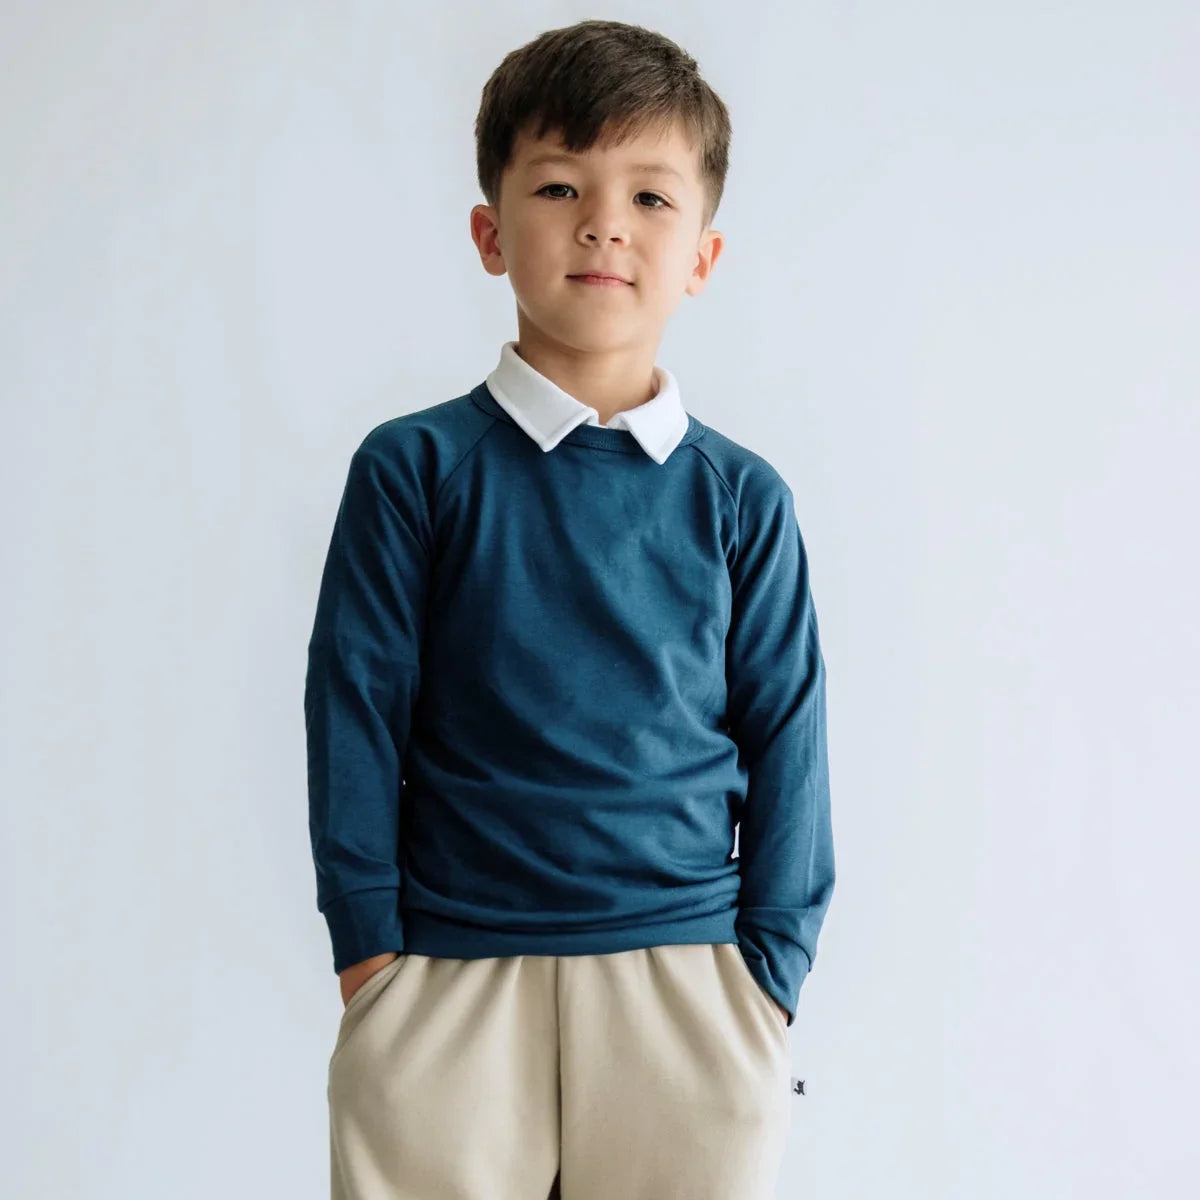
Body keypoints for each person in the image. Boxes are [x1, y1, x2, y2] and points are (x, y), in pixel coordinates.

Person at [305, 17, 835, 1200]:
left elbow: (788, 732)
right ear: (491, 233)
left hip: (688, 979)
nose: (604, 224)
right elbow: (354, 712)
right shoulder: (414, 470)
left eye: (651, 196)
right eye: (559, 186)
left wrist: (769, 972)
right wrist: (370, 953)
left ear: (702, 254)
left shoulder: (740, 497)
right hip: (445, 973)